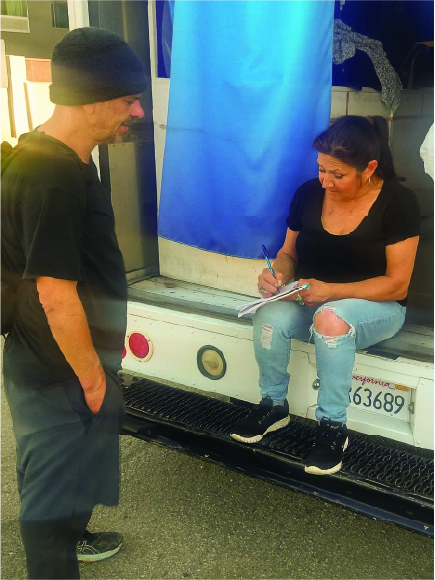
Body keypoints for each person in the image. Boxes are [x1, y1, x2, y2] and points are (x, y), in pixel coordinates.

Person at [1, 27, 146, 579]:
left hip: (56, 362)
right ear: (92, 98)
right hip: (57, 369)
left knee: (66, 478)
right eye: (128, 99)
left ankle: (75, 535)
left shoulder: (58, 156)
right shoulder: (53, 175)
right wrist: (91, 378)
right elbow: (55, 293)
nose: (134, 111)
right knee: (50, 500)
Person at [230, 115, 420, 476]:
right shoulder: (307, 193)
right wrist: (278, 274)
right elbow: (289, 254)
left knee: (330, 320)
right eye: (321, 170)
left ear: (370, 168)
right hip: (314, 299)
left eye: (338, 175)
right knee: (269, 315)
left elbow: (398, 284)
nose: (325, 182)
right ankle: (273, 405)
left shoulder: (398, 201)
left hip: (377, 307)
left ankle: (333, 427)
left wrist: (330, 291)